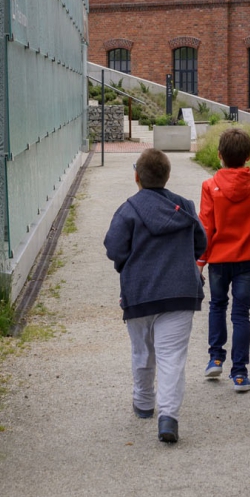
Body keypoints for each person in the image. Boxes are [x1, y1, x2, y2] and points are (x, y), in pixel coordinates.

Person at [103, 148, 206, 444]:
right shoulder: (184, 206)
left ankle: (144, 403)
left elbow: (114, 248)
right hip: (180, 293)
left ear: (137, 177)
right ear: (167, 176)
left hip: (139, 293)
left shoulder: (128, 210)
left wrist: (128, 264)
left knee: (142, 352)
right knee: (172, 357)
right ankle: (168, 418)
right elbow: (201, 242)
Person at [197, 127, 250, 392]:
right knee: (241, 314)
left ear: (219, 155)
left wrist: (200, 261)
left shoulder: (210, 186)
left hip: (218, 259)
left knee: (217, 305)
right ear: (248, 156)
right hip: (246, 260)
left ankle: (215, 357)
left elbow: (206, 226)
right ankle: (240, 373)